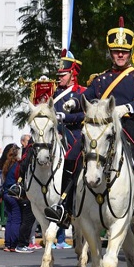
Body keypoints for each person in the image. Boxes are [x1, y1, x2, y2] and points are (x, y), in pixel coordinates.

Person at [63, 17, 134, 227]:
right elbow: (86, 96)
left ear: (130, 52)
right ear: (111, 53)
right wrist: (73, 103)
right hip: (105, 126)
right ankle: (64, 204)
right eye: (116, 51)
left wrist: (129, 107)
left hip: (131, 124)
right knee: (73, 153)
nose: (120, 55)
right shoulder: (100, 79)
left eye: (124, 51)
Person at [44, 49, 87, 228]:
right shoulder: (53, 93)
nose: (60, 78)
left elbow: (84, 114)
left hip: (73, 131)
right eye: (59, 75)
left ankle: (67, 197)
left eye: (63, 75)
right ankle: (22, 184)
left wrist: (64, 117)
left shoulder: (81, 92)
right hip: (54, 131)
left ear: (72, 74)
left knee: (75, 158)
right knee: (33, 147)